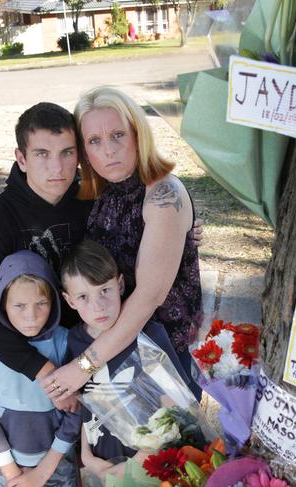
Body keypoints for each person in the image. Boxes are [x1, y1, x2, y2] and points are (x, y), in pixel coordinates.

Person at [0, 102, 203, 406]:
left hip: (112, 345)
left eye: (67, 152)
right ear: (21, 159)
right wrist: (45, 372)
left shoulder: (92, 198)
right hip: (37, 362)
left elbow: (143, 229)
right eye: (42, 154)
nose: (57, 168)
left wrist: (182, 231)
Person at [44, 87, 203, 401]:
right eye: (94, 141)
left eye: (118, 135)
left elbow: (148, 297)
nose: (108, 151)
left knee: (169, 449)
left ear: (138, 135)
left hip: (162, 359)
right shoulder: (102, 191)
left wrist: (83, 365)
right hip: (114, 353)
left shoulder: (161, 194)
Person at [0, 250, 80, 486]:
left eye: (41, 303)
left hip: (59, 462)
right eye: (19, 305)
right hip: (11, 468)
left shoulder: (65, 341)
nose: (31, 316)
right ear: (2, 303)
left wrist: (50, 462)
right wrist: (10, 472)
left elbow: (76, 408)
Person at [61, 240, 139, 474]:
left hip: (149, 461)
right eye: (83, 297)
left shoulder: (148, 334)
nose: (98, 306)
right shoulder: (75, 341)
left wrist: (138, 464)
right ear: (70, 301)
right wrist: (86, 454)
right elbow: (87, 402)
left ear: (121, 285)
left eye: (105, 290)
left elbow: (173, 405)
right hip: (99, 460)